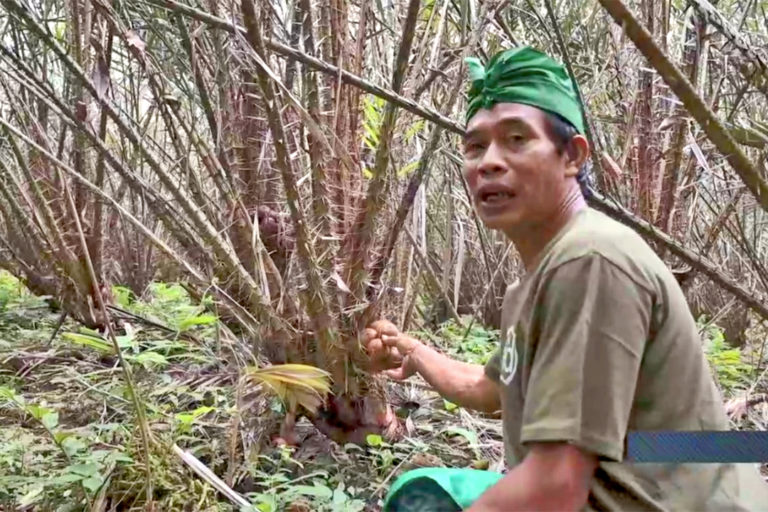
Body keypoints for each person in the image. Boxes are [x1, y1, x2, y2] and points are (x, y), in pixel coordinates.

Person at [364, 46, 768, 511]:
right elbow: (491, 389)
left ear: (572, 156)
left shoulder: (591, 260)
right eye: (475, 146)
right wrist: (414, 353)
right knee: (419, 494)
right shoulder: (537, 281)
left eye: (516, 139)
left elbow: (554, 486)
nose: (488, 162)